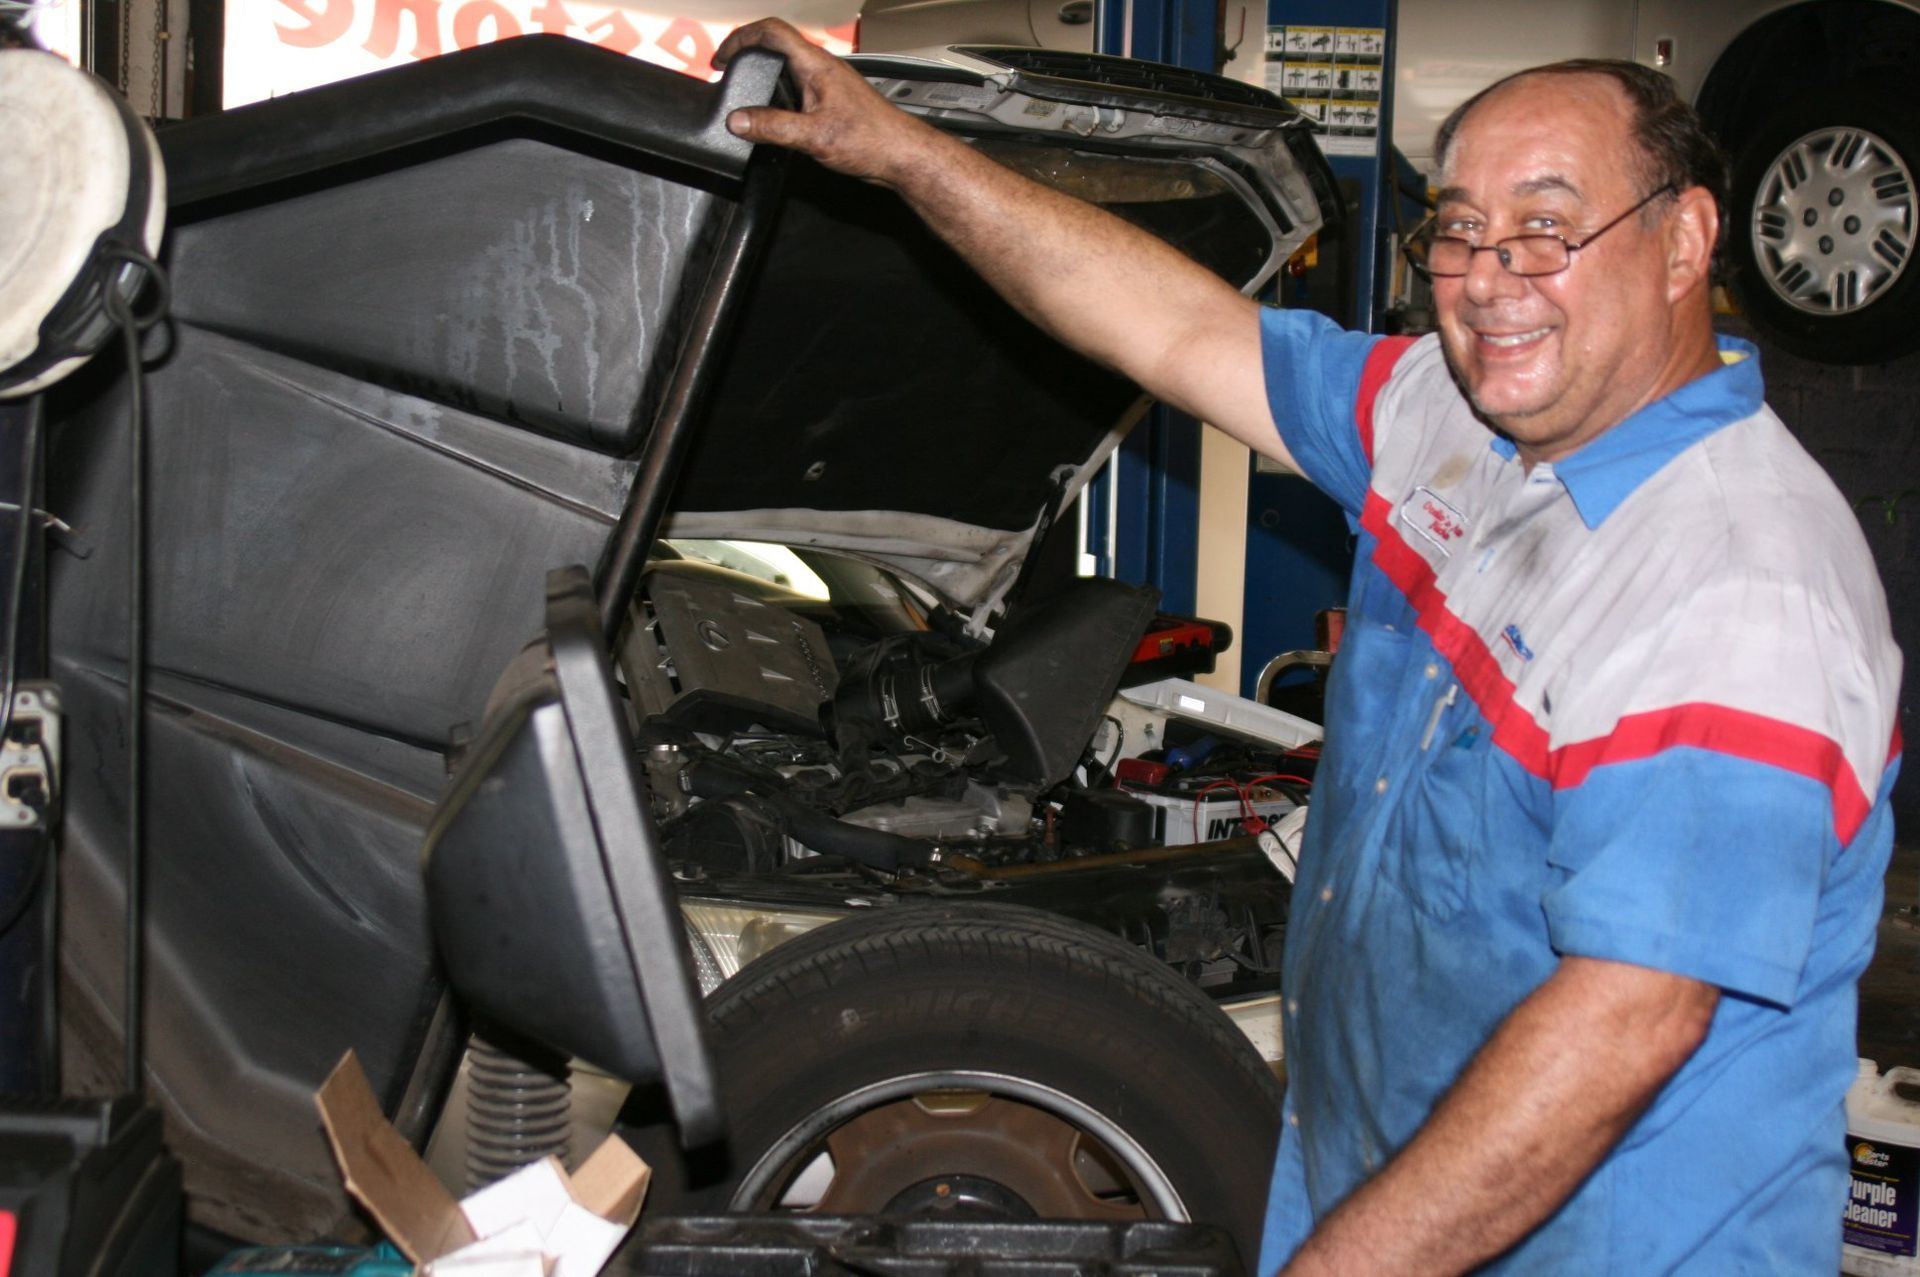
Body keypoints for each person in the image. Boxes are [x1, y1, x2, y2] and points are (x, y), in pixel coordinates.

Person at [713, 21, 1903, 1274]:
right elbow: (1174, 328)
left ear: (1688, 240)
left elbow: (1622, 1024)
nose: (1490, 278)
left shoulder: (1737, 585)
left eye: (1548, 227)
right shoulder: (1456, 419)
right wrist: (906, 155)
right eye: (1457, 228)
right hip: (1379, 1181)